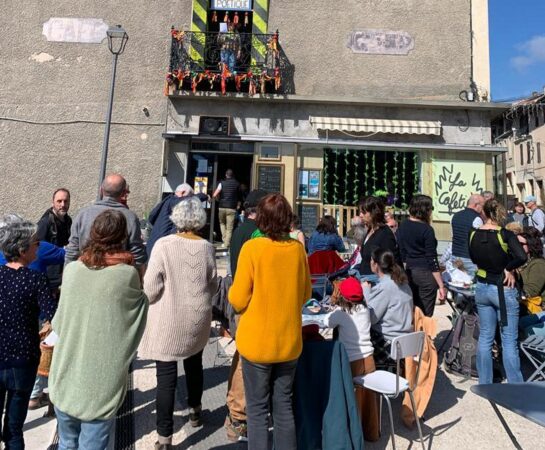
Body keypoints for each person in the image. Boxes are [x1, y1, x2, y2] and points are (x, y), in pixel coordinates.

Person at [49, 210, 148, 449]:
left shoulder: (72, 270)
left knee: (66, 443)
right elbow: (139, 309)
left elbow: (58, 322)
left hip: (66, 372)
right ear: (123, 236)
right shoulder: (126, 275)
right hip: (100, 381)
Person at [229, 194, 311, 450]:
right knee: (283, 406)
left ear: (260, 218)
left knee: (256, 410)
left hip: (257, 343)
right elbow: (306, 293)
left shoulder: (252, 249)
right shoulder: (297, 249)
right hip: (288, 341)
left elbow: (238, 299)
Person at [138, 197, 217, 450]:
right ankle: (195, 410)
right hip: (198, 316)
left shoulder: (163, 245)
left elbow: (150, 289)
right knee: (194, 364)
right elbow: (213, 283)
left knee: (166, 377)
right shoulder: (207, 247)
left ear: (176, 219)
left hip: (169, 318)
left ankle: (164, 436)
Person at [0, 214, 56, 449]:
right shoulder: (36, 279)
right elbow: (54, 315)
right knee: (14, 428)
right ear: (23, 249)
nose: (38, 246)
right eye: (35, 243)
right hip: (23, 359)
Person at [224, 189, 268, 442]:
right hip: (250, 301)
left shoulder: (241, 230)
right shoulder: (254, 233)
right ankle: (238, 417)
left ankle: (235, 409)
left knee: (241, 355)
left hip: (240, 298)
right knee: (245, 359)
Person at [469, 199, 527, 384]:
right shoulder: (506, 234)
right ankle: (516, 385)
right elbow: (522, 256)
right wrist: (508, 268)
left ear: (484, 213)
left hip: (482, 287)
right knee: (509, 340)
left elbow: (473, 257)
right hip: (502, 288)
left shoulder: (473, 234)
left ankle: (484, 382)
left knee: (485, 336)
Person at [324, 277, 379, 441]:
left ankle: (353, 434)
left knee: (351, 398)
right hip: (369, 359)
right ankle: (372, 432)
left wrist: (332, 308)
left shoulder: (341, 314)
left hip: (350, 361)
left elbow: (327, 322)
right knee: (368, 398)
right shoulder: (366, 311)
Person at [65, 174, 147, 271]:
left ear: (101, 190)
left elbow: (72, 250)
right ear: (124, 193)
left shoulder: (83, 214)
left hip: (85, 273)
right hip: (118, 277)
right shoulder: (130, 217)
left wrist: (67, 277)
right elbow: (137, 253)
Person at [397, 195, 446, 316]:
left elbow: (401, 252)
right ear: (425, 210)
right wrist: (441, 285)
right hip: (425, 273)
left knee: (411, 312)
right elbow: (432, 259)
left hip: (409, 271)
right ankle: (424, 335)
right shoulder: (426, 229)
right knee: (425, 315)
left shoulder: (403, 225)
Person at [363, 248, 413, 365]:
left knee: (352, 336)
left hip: (388, 343)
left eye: (371, 260)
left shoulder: (385, 287)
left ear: (376, 265)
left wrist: (366, 291)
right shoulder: (403, 282)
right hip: (405, 339)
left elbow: (371, 319)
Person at [358, 196, 399, 284]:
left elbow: (390, 263)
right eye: (360, 212)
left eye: (364, 212)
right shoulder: (370, 230)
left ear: (374, 213)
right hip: (365, 279)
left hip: (376, 282)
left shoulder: (385, 234)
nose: (361, 215)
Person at [146, 183, 193, 257]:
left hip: (154, 246)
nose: (190, 198)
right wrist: (204, 196)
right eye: (189, 196)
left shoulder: (167, 201)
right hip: (160, 248)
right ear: (183, 192)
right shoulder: (173, 201)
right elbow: (187, 201)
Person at [450, 193, 484, 278]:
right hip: (469, 258)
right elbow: (478, 241)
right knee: (470, 286)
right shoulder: (477, 219)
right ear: (476, 205)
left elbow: (453, 236)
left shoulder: (455, 216)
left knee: (458, 283)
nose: (483, 208)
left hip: (455, 256)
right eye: (482, 206)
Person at [518, 228, 545, 335]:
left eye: (520, 243)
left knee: (526, 328)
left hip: (535, 306)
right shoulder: (520, 262)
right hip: (524, 303)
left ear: (530, 245)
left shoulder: (538, 264)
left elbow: (531, 291)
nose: (516, 246)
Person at [213, 169, 240, 248]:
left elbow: (215, 194)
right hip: (231, 208)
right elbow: (239, 196)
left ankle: (225, 241)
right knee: (229, 227)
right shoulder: (237, 184)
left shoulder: (222, 183)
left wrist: (218, 200)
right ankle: (226, 243)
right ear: (233, 175)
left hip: (221, 207)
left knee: (222, 223)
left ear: (226, 175)